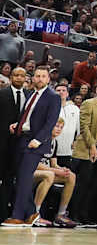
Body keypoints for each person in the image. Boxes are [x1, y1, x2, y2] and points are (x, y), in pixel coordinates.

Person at [3, 67, 60, 227]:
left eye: (43, 76)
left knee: (25, 177)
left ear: (48, 79)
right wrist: (18, 125)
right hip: (22, 138)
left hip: (35, 143)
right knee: (21, 177)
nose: (40, 79)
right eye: (37, 76)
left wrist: (38, 140)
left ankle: (18, 216)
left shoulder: (53, 97)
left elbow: (50, 122)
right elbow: (27, 117)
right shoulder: (31, 94)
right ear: (33, 78)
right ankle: (31, 214)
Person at [69, 78, 97, 226]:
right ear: (96, 89)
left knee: (95, 184)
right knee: (83, 183)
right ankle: (74, 214)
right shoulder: (89, 103)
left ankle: (86, 215)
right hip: (87, 147)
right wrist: (92, 146)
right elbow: (84, 127)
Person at [34, 118, 78, 227]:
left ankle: (61, 215)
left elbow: (53, 164)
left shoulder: (54, 142)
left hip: (47, 172)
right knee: (50, 175)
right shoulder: (40, 139)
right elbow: (35, 164)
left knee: (71, 176)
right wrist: (55, 170)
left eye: (61, 127)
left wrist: (62, 169)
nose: (59, 129)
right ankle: (35, 214)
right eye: (56, 126)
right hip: (32, 172)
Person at [0, 66, 27, 220]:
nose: (18, 78)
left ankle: (6, 213)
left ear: (25, 78)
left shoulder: (29, 96)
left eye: (22, 75)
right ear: (11, 77)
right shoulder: (2, 93)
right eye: (16, 75)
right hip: (2, 142)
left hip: (19, 145)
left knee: (11, 180)